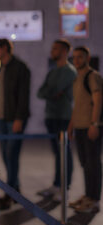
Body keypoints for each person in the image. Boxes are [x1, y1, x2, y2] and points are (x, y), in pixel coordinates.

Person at [0, 38, 30, 210]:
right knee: (7, 156)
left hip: (13, 118)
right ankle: (15, 189)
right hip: (0, 117)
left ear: (5, 48)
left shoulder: (20, 68)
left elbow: (23, 95)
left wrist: (19, 119)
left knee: (11, 154)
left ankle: (10, 193)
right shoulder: (2, 68)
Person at [36, 39, 77, 200]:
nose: (52, 51)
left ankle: (65, 188)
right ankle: (56, 185)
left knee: (64, 153)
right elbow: (41, 93)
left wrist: (52, 92)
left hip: (63, 117)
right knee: (57, 153)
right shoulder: (52, 72)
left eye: (56, 49)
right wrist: (52, 93)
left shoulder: (70, 71)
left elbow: (53, 90)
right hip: (51, 116)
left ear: (65, 51)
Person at [68, 46, 102, 214]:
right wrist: (71, 126)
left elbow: (98, 100)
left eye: (80, 57)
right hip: (80, 127)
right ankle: (88, 196)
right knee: (85, 163)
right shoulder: (77, 78)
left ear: (87, 58)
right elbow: (78, 104)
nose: (76, 60)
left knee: (93, 164)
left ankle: (94, 200)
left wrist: (94, 124)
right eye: (74, 57)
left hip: (90, 127)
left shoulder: (92, 76)